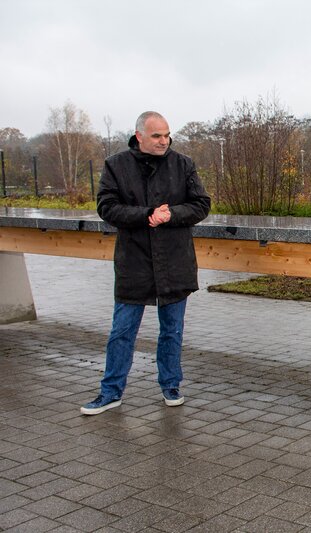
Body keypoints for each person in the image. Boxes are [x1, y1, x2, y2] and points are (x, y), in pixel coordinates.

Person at [81, 111, 211, 415]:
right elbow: (106, 206)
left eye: (167, 135)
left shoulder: (183, 164)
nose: (164, 141)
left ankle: (171, 384)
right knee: (122, 331)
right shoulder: (116, 166)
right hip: (134, 261)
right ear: (139, 135)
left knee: (172, 330)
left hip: (174, 261)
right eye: (157, 136)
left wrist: (171, 215)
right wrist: (146, 215)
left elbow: (201, 204)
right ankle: (110, 392)